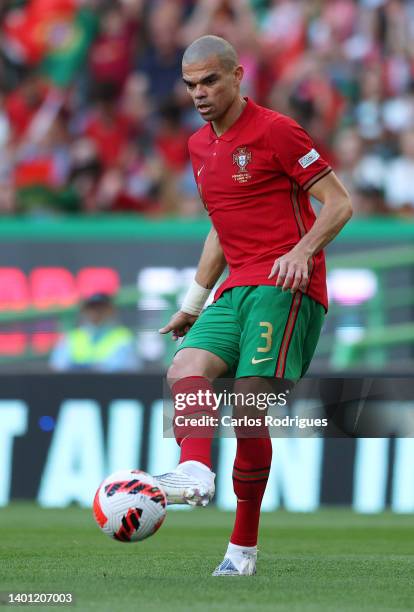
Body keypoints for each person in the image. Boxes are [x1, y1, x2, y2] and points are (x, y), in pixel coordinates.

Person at [156, 35, 352, 576]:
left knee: (247, 407)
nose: (199, 93)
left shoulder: (276, 131)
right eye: (190, 84)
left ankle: (241, 550)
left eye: (209, 81)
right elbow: (221, 228)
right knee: (185, 367)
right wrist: (194, 303)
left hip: (285, 287)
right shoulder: (199, 148)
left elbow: (339, 203)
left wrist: (302, 252)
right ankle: (194, 470)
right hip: (234, 288)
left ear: (238, 75)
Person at [49, 292, 139, 372]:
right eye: (92, 308)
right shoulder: (71, 337)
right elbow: (58, 366)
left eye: (101, 308)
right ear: (84, 310)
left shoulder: (123, 337)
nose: (96, 312)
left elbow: (127, 369)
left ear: (111, 310)